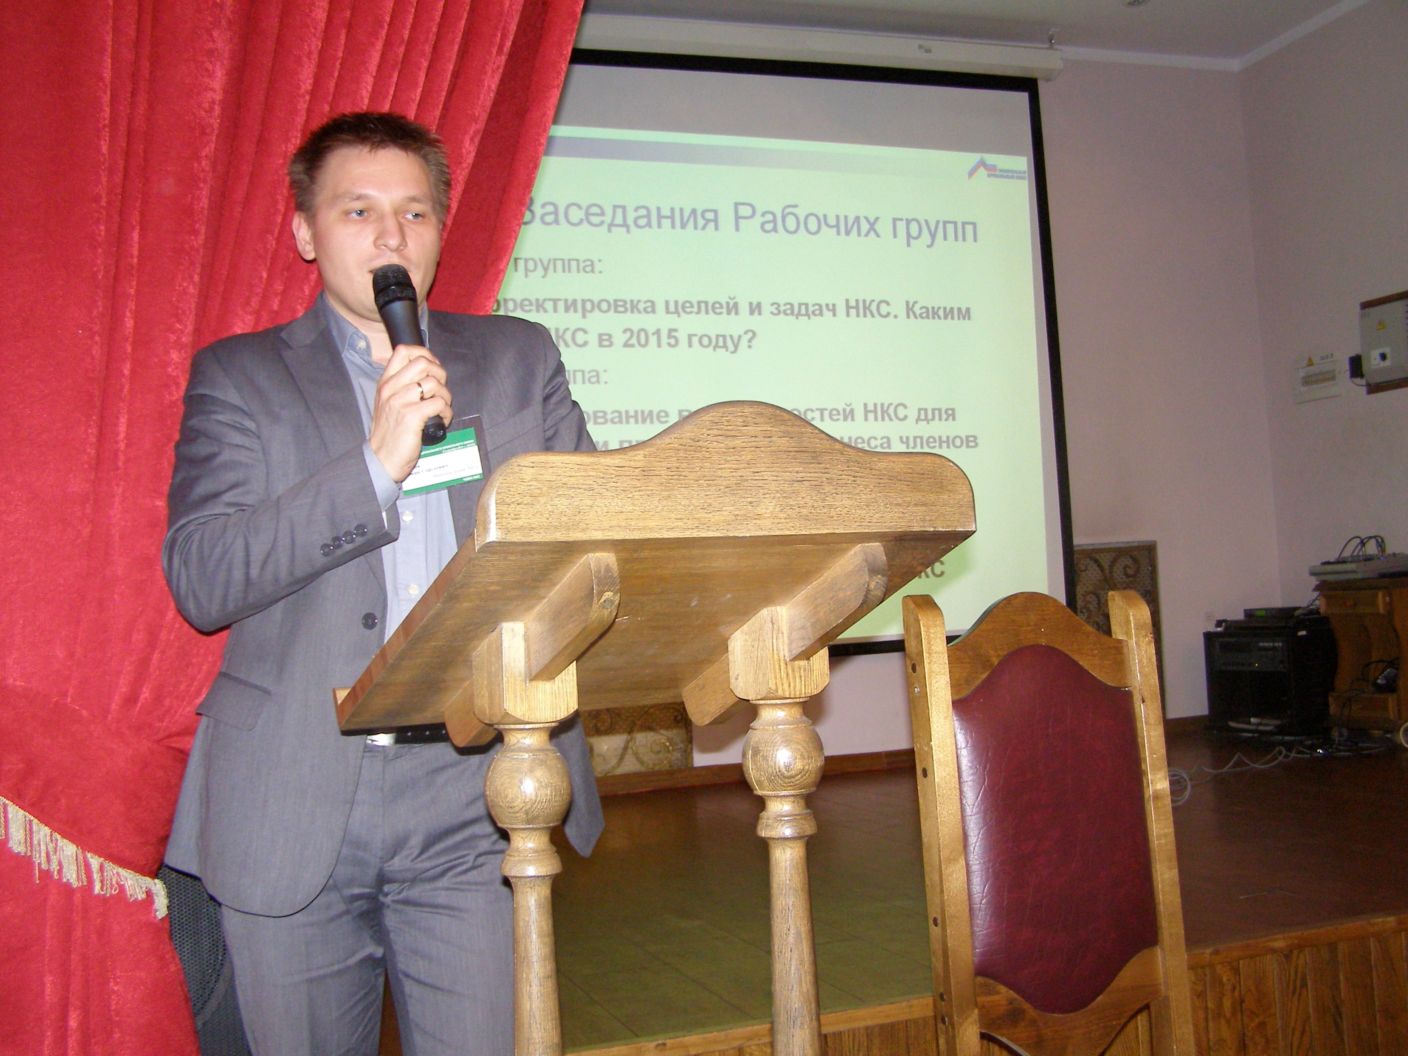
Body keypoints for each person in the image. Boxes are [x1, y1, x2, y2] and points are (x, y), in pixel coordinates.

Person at [162, 112, 603, 1056]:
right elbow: (204, 577)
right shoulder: (240, 378)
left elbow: (593, 534)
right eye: (358, 210)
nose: (391, 237)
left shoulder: (518, 360)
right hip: (293, 787)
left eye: (414, 212)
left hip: (475, 783)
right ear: (305, 231)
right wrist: (374, 466)